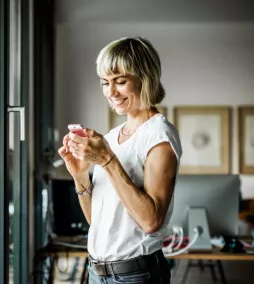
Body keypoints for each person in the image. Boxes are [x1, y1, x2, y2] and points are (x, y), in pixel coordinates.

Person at [58, 37, 182, 284]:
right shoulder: (112, 138)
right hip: (98, 273)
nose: (111, 92)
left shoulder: (159, 135)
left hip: (136, 276)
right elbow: (99, 222)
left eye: (120, 82)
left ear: (144, 78)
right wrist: (80, 176)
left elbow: (151, 221)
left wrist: (107, 161)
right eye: (105, 83)